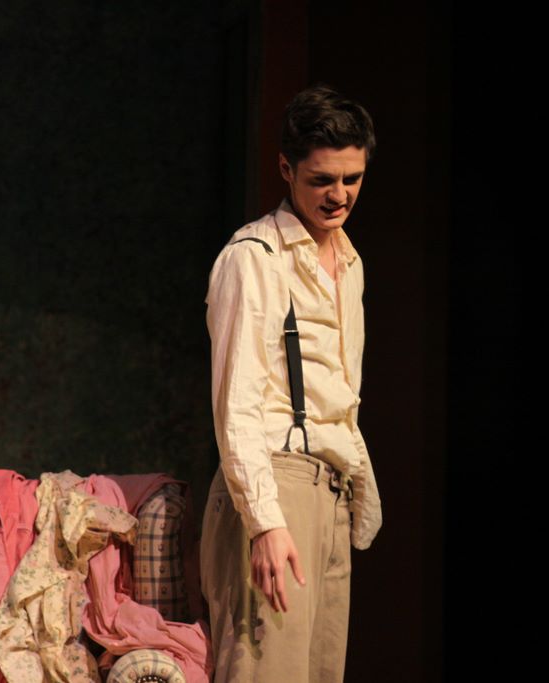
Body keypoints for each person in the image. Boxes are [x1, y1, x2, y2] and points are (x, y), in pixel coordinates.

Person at [199, 83, 382, 683]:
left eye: (352, 179)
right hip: (274, 486)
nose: (339, 195)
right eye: (322, 179)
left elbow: (341, 400)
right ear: (286, 169)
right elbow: (237, 405)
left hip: (331, 493)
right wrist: (265, 522)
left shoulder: (350, 263)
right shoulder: (255, 257)